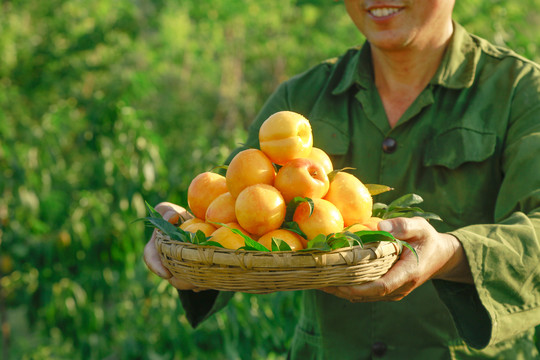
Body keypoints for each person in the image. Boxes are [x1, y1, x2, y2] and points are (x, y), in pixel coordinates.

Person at [144, 0, 540, 358]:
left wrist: (452, 252)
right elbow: (230, 217)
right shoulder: (301, 98)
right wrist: (183, 234)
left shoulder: (521, 92)